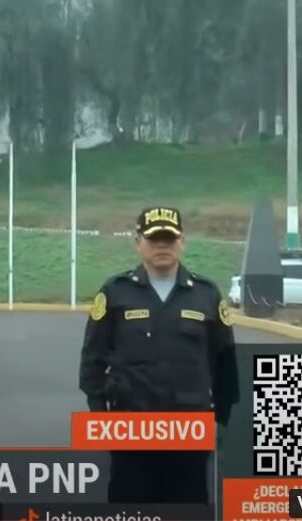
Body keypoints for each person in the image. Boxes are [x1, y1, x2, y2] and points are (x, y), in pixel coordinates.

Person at [79, 207, 239, 504]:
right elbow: (93, 359)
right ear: (138, 242)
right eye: (154, 239)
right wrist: (100, 415)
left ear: (182, 242)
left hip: (189, 428)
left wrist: (221, 421)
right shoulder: (116, 293)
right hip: (131, 427)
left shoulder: (206, 294)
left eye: (169, 238)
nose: (162, 246)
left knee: (188, 503)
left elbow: (225, 362)